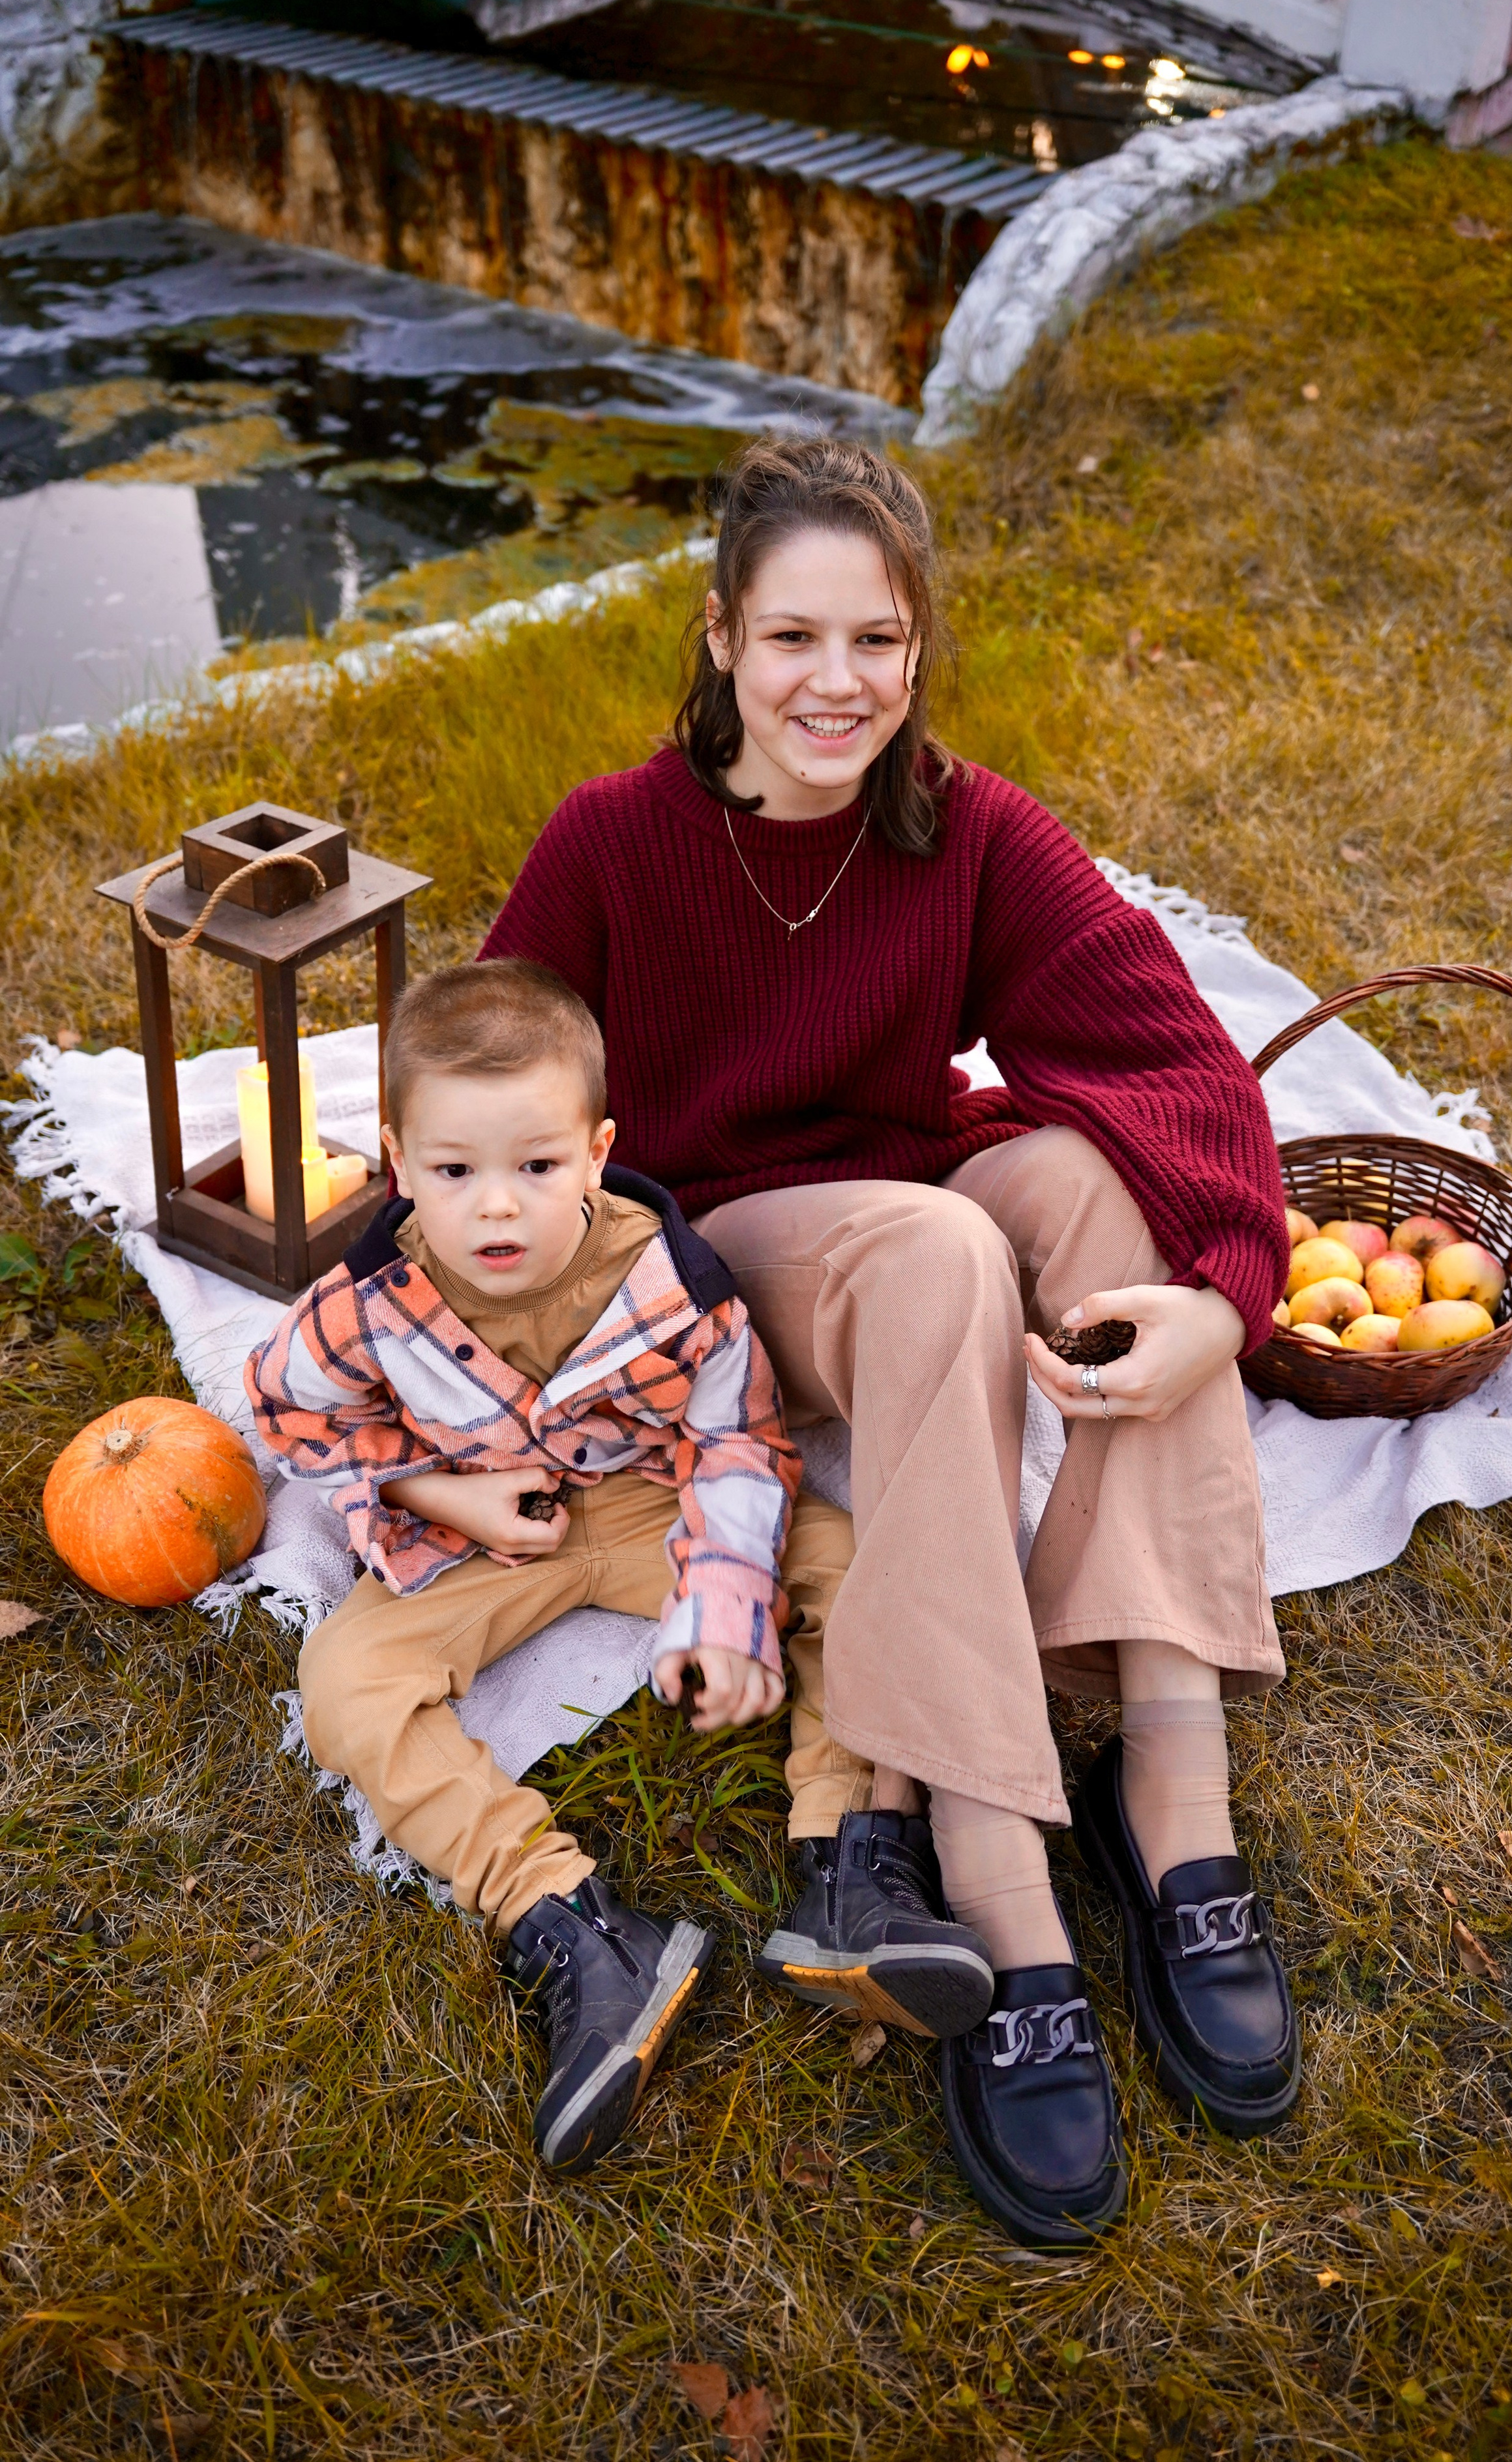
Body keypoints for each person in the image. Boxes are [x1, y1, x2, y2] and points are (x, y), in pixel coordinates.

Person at [480, 435, 1301, 2250]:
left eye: (878, 639)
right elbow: (491, 1088)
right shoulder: (610, 842)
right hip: (729, 1240)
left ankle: (1168, 1771)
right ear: (721, 635)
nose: (836, 683)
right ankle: (994, 1868)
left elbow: (1173, 1051)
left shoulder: (962, 823)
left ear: (920, 645)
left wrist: (1221, 1299)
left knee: (1094, 1180)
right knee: (942, 1247)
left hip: (906, 1186)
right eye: (793, 637)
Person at [246, 959, 995, 2175]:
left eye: (538, 1166)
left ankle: (847, 1863)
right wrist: (431, 1488)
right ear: (398, 1164)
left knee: (851, 1565)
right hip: (492, 1531)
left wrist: (722, 1606)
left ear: (597, 1152)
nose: (498, 1207)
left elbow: (737, 1440)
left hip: (652, 1498)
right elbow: (288, 1410)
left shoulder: (676, 1287)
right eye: (454, 1171)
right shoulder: (367, 1303)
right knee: (344, 1680)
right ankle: (573, 1925)